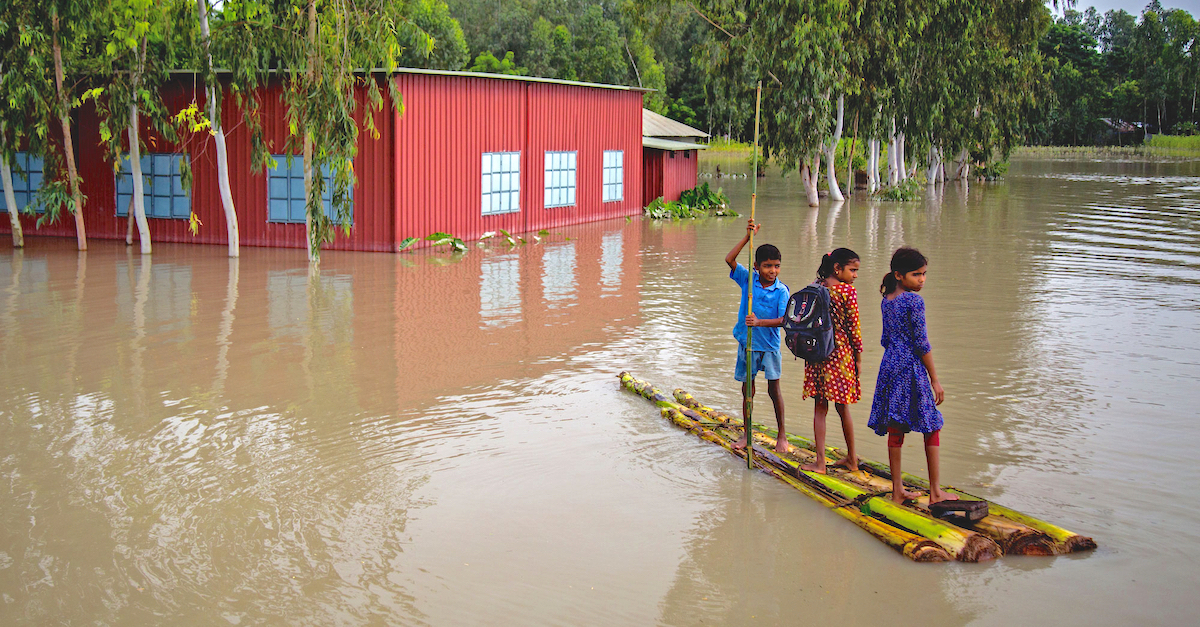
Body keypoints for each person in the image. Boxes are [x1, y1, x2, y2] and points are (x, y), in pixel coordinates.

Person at [867, 247, 958, 504]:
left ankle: (897, 490)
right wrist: (935, 379)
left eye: (924, 274)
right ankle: (936, 493)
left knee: (896, 428)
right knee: (932, 425)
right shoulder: (914, 302)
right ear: (899, 275)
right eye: (916, 274)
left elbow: (885, 339)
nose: (922, 280)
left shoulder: (887, 300)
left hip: (890, 367)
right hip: (910, 368)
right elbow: (922, 343)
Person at [725, 219, 791, 453]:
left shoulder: (781, 290)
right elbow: (729, 259)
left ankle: (782, 435)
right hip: (747, 344)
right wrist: (747, 237)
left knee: (774, 390)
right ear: (756, 266)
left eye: (776, 266)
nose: (772, 271)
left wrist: (759, 322)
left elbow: (784, 320)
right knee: (748, 391)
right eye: (767, 266)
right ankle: (747, 434)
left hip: (770, 346)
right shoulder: (748, 280)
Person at [800, 248, 863, 474]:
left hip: (818, 353)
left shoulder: (817, 287)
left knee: (820, 407)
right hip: (841, 355)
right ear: (838, 268)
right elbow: (853, 329)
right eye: (853, 270)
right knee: (843, 407)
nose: (855, 275)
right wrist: (858, 358)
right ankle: (852, 459)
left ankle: (820, 462)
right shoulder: (848, 292)